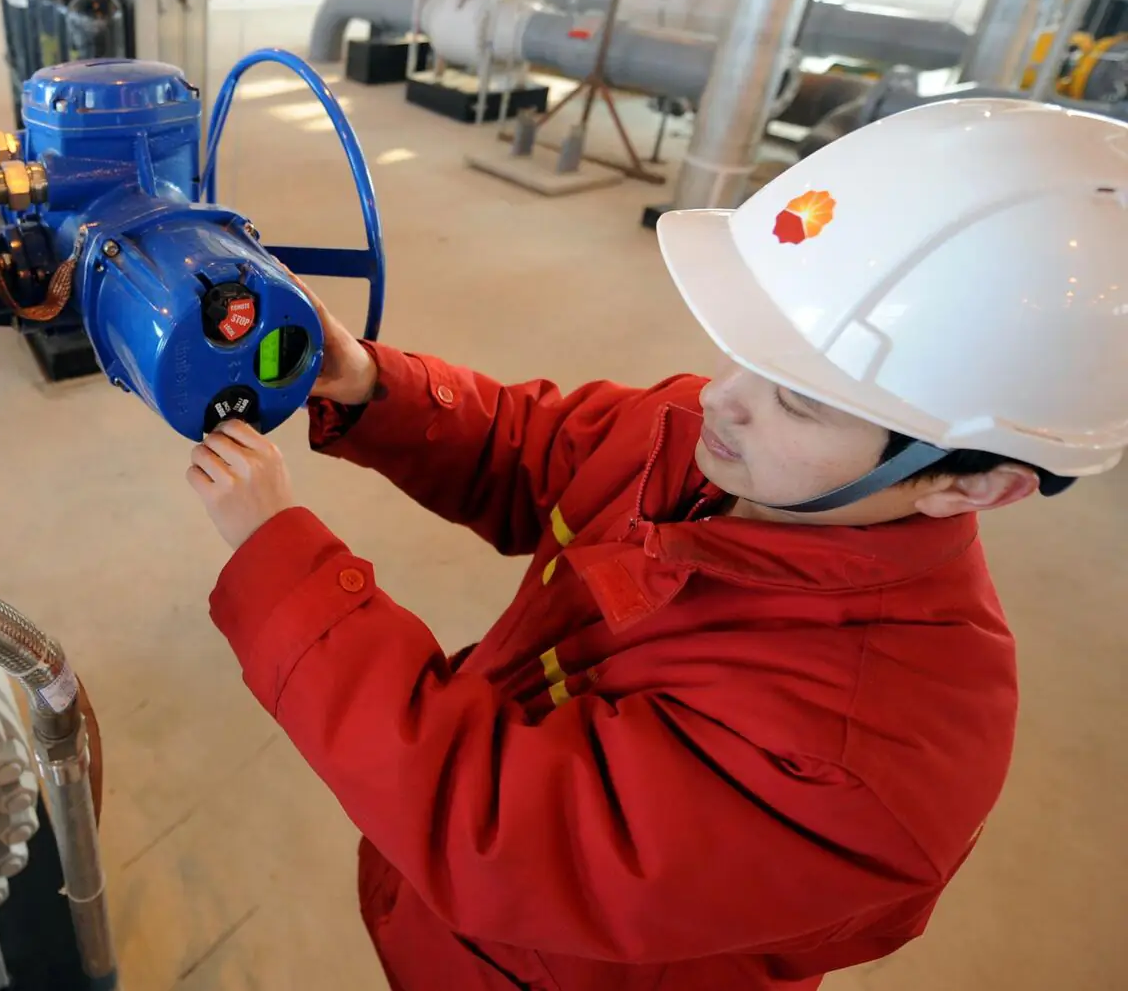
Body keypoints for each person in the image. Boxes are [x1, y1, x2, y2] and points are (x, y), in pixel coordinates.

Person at [184, 98, 1128, 990]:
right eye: (746, 347)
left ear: (975, 483)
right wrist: (371, 385)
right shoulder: (718, 443)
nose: (720, 397)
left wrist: (282, 562)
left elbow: (497, 828)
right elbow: (534, 448)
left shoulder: (863, 764)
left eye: (799, 399)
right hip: (442, 930)